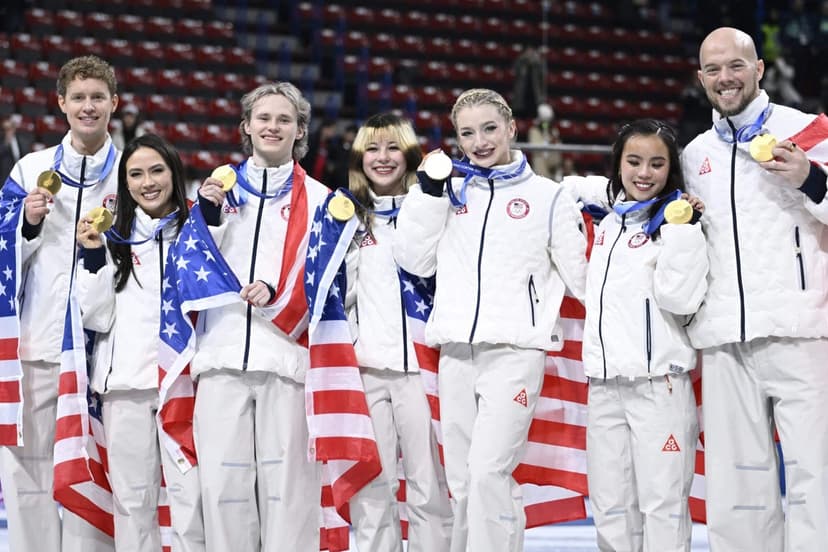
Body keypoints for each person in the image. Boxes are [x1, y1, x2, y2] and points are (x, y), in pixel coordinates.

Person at [392, 88, 588, 552]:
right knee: (463, 479)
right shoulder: (449, 193)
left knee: (488, 471)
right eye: (467, 133)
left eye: (489, 129)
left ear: (512, 128)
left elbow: (582, 277)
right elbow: (415, 261)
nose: (479, 142)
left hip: (516, 354)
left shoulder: (548, 197)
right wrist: (430, 196)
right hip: (457, 351)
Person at [682, 27, 828, 551]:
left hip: (801, 328)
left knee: (818, 474)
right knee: (736, 484)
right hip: (725, 339)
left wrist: (811, 177)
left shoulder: (808, 130)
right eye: (714, 69)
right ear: (701, 79)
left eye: (736, 65)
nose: (726, 78)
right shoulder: (695, 156)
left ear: (759, 69)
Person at [191, 81, 328, 552]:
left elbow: (324, 284)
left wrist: (278, 295)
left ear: (299, 130)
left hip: (288, 363)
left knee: (289, 499)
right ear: (246, 126)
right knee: (222, 496)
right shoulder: (212, 193)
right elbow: (186, 274)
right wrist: (207, 217)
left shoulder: (323, 201)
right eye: (263, 118)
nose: (273, 126)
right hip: (221, 360)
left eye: (284, 119)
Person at [567, 119, 706, 552]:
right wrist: (606, 192)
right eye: (633, 161)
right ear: (618, 164)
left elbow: (679, 299)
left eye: (656, 164)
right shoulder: (610, 219)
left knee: (662, 506)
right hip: (605, 387)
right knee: (610, 506)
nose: (644, 173)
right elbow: (568, 187)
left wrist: (681, 228)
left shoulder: (682, 225)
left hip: (658, 388)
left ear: (671, 169)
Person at [0, 54, 120, 552]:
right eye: (78, 98)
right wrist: (23, 223)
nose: (87, 107)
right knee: (26, 478)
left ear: (114, 103)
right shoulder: (31, 167)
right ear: (61, 104)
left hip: (101, 354)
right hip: (36, 347)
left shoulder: (132, 173)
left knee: (92, 476)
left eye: (97, 97)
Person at [74, 133, 205, 551]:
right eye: (136, 174)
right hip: (125, 387)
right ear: (125, 183)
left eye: (156, 171)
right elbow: (95, 315)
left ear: (174, 173)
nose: (148, 182)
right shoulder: (111, 236)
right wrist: (93, 256)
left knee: (192, 500)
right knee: (132, 503)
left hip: (187, 386)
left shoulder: (200, 232)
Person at [345, 112, 452, 552]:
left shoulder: (437, 208)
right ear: (359, 158)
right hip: (367, 370)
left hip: (423, 370)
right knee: (373, 491)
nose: (383, 158)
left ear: (410, 155)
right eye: (372, 148)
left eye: (393, 148)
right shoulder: (345, 218)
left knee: (430, 491)